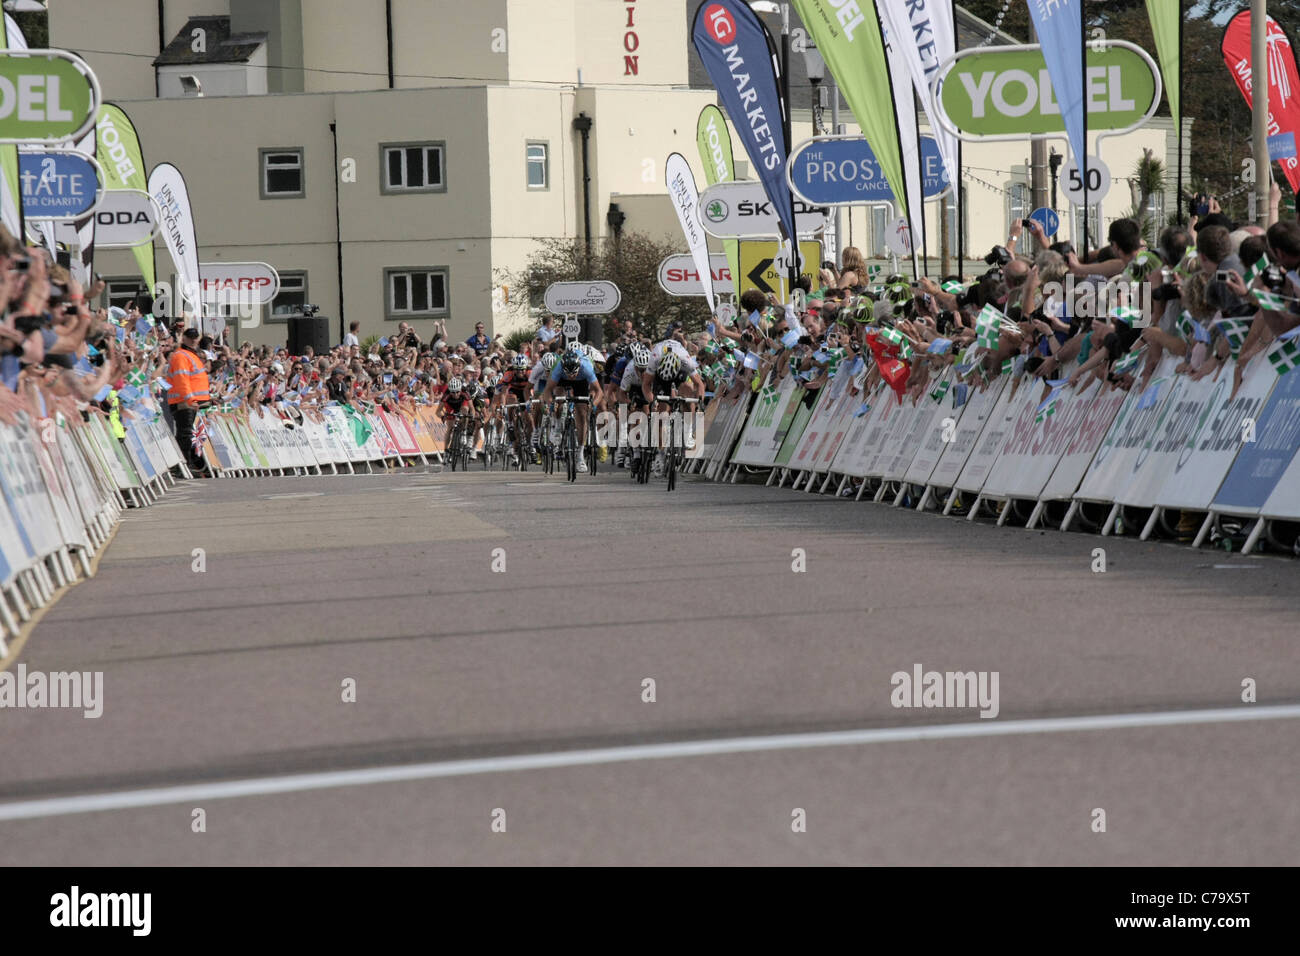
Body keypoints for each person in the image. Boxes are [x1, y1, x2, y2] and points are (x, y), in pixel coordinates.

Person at [166, 326, 211, 474]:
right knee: (185, 434)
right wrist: (190, 399)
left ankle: (186, 465)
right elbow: (181, 380)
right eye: (190, 337)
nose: (193, 340)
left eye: (195, 337)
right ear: (183, 338)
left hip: (189, 401)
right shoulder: (181, 356)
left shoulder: (190, 355)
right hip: (183, 402)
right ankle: (183, 467)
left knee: (187, 435)